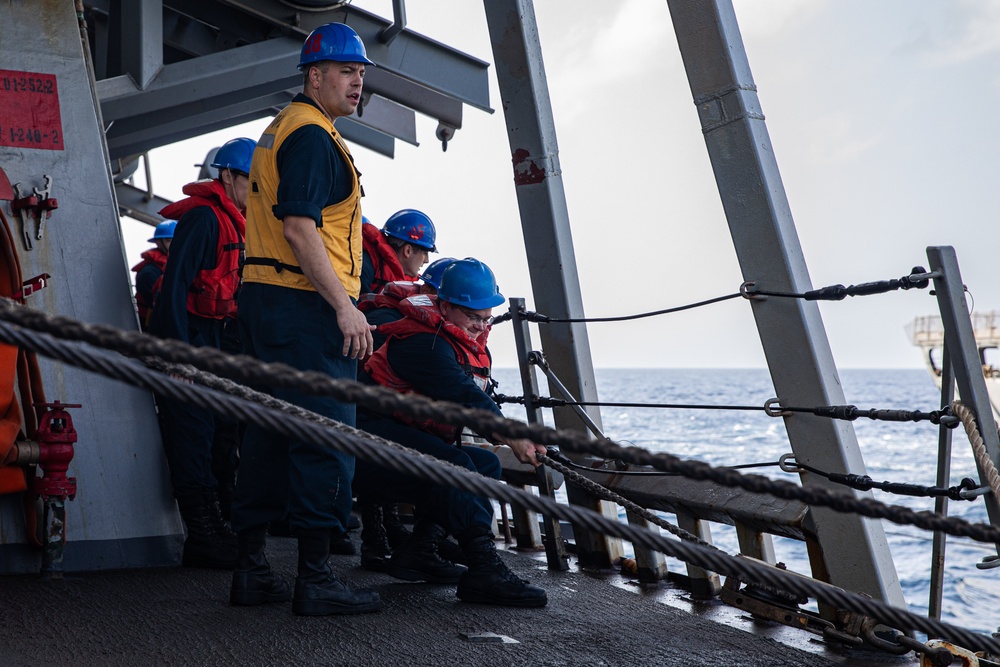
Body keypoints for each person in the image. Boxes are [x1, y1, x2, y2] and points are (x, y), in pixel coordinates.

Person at [231, 22, 380, 617]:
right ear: (314, 76)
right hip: (305, 308)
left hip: (264, 301)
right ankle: (316, 579)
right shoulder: (315, 137)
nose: (357, 83)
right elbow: (299, 227)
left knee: (268, 432)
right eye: (346, 72)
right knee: (326, 437)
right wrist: (344, 306)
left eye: (361, 73)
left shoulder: (281, 129)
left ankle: (252, 569)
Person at [355, 258, 548, 607]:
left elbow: (476, 394)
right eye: (472, 317)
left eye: (486, 318)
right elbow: (463, 393)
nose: (479, 326)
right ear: (444, 306)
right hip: (364, 444)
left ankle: (420, 551)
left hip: (397, 435)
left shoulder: (454, 338)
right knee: (457, 465)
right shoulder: (422, 343)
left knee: (484, 464)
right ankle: (483, 569)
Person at [148, 136, 256, 569]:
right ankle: (201, 536)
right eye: (252, 181)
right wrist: (175, 357)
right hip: (189, 340)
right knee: (192, 434)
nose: (258, 190)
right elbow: (173, 289)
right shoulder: (205, 220)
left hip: (212, 340)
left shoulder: (236, 221)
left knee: (214, 433)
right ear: (228, 176)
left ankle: (214, 522)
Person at [355, 257, 457, 572]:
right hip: (371, 419)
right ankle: (379, 539)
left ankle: (396, 536)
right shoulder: (395, 323)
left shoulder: (398, 314)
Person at [359, 209, 436, 296]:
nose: (427, 260)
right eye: (425, 253)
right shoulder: (364, 265)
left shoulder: (405, 280)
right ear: (408, 251)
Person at [131, 220, 175, 332]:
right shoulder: (149, 273)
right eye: (170, 241)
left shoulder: (174, 266)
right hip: (151, 327)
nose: (175, 244)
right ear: (158, 243)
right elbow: (163, 306)